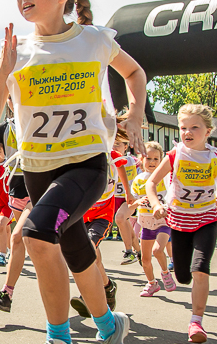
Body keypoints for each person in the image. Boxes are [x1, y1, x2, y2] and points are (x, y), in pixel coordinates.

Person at [0, 0, 144, 344]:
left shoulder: (92, 40)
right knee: (73, 250)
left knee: (34, 234)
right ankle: (110, 328)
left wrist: (137, 115)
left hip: (86, 164)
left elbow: (135, 72)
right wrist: (3, 70)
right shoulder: (16, 52)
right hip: (37, 168)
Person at [147, 105, 217, 344]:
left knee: (200, 269)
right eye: (183, 128)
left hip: (206, 220)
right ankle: (181, 280)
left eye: (194, 127)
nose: (187, 132)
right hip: (179, 221)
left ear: (208, 131)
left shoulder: (216, 158)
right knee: (183, 276)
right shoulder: (174, 155)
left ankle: (196, 322)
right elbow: (151, 183)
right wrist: (156, 204)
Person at [69, 131, 133, 318]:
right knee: (94, 258)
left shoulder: (113, 157)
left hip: (102, 216)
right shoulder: (82, 155)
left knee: (87, 250)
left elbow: (120, 168)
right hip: (81, 215)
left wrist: (128, 193)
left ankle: (86, 295)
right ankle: (107, 286)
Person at [0, 117, 33, 312]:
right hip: (16, 192)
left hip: (39, 187)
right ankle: (103, 285)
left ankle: (6, 292)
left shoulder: (43, 113)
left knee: (18, 237)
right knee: (24, 241)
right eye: (10, 95)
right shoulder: (5, 127)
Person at [131, 142, 175, 297]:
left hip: (163, 222)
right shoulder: (138, 180)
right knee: (145, 259)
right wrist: (137, 202)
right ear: (141, 159)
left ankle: (165, 273)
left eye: (156, 159)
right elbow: (132, 202)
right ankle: (152, 283)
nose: (152, 162)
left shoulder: (165, 178)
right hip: (146, 223)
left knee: (158, 250)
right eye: (148, 158)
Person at [112, 136, 140, 264]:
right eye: (112, 144)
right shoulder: (107, 161)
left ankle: (129, 252)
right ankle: (139, 253)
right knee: (126, 226)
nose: (114, 147)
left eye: (118, 144)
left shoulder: (132, 161)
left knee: (120, 219)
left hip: (130, 198)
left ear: (125, 147)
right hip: (114, 199)